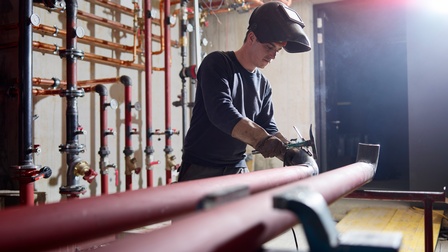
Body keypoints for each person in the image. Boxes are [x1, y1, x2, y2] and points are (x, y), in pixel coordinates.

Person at [178, 1, 318, 182]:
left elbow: (268, 127)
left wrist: (291, 153)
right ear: (251, 37)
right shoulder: (217, 63)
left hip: (237, 167)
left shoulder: (263, 84)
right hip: (201, 168)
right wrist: (262, 140)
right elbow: (221, 112)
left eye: (278, 50)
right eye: (269, 47)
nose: (273, 55)